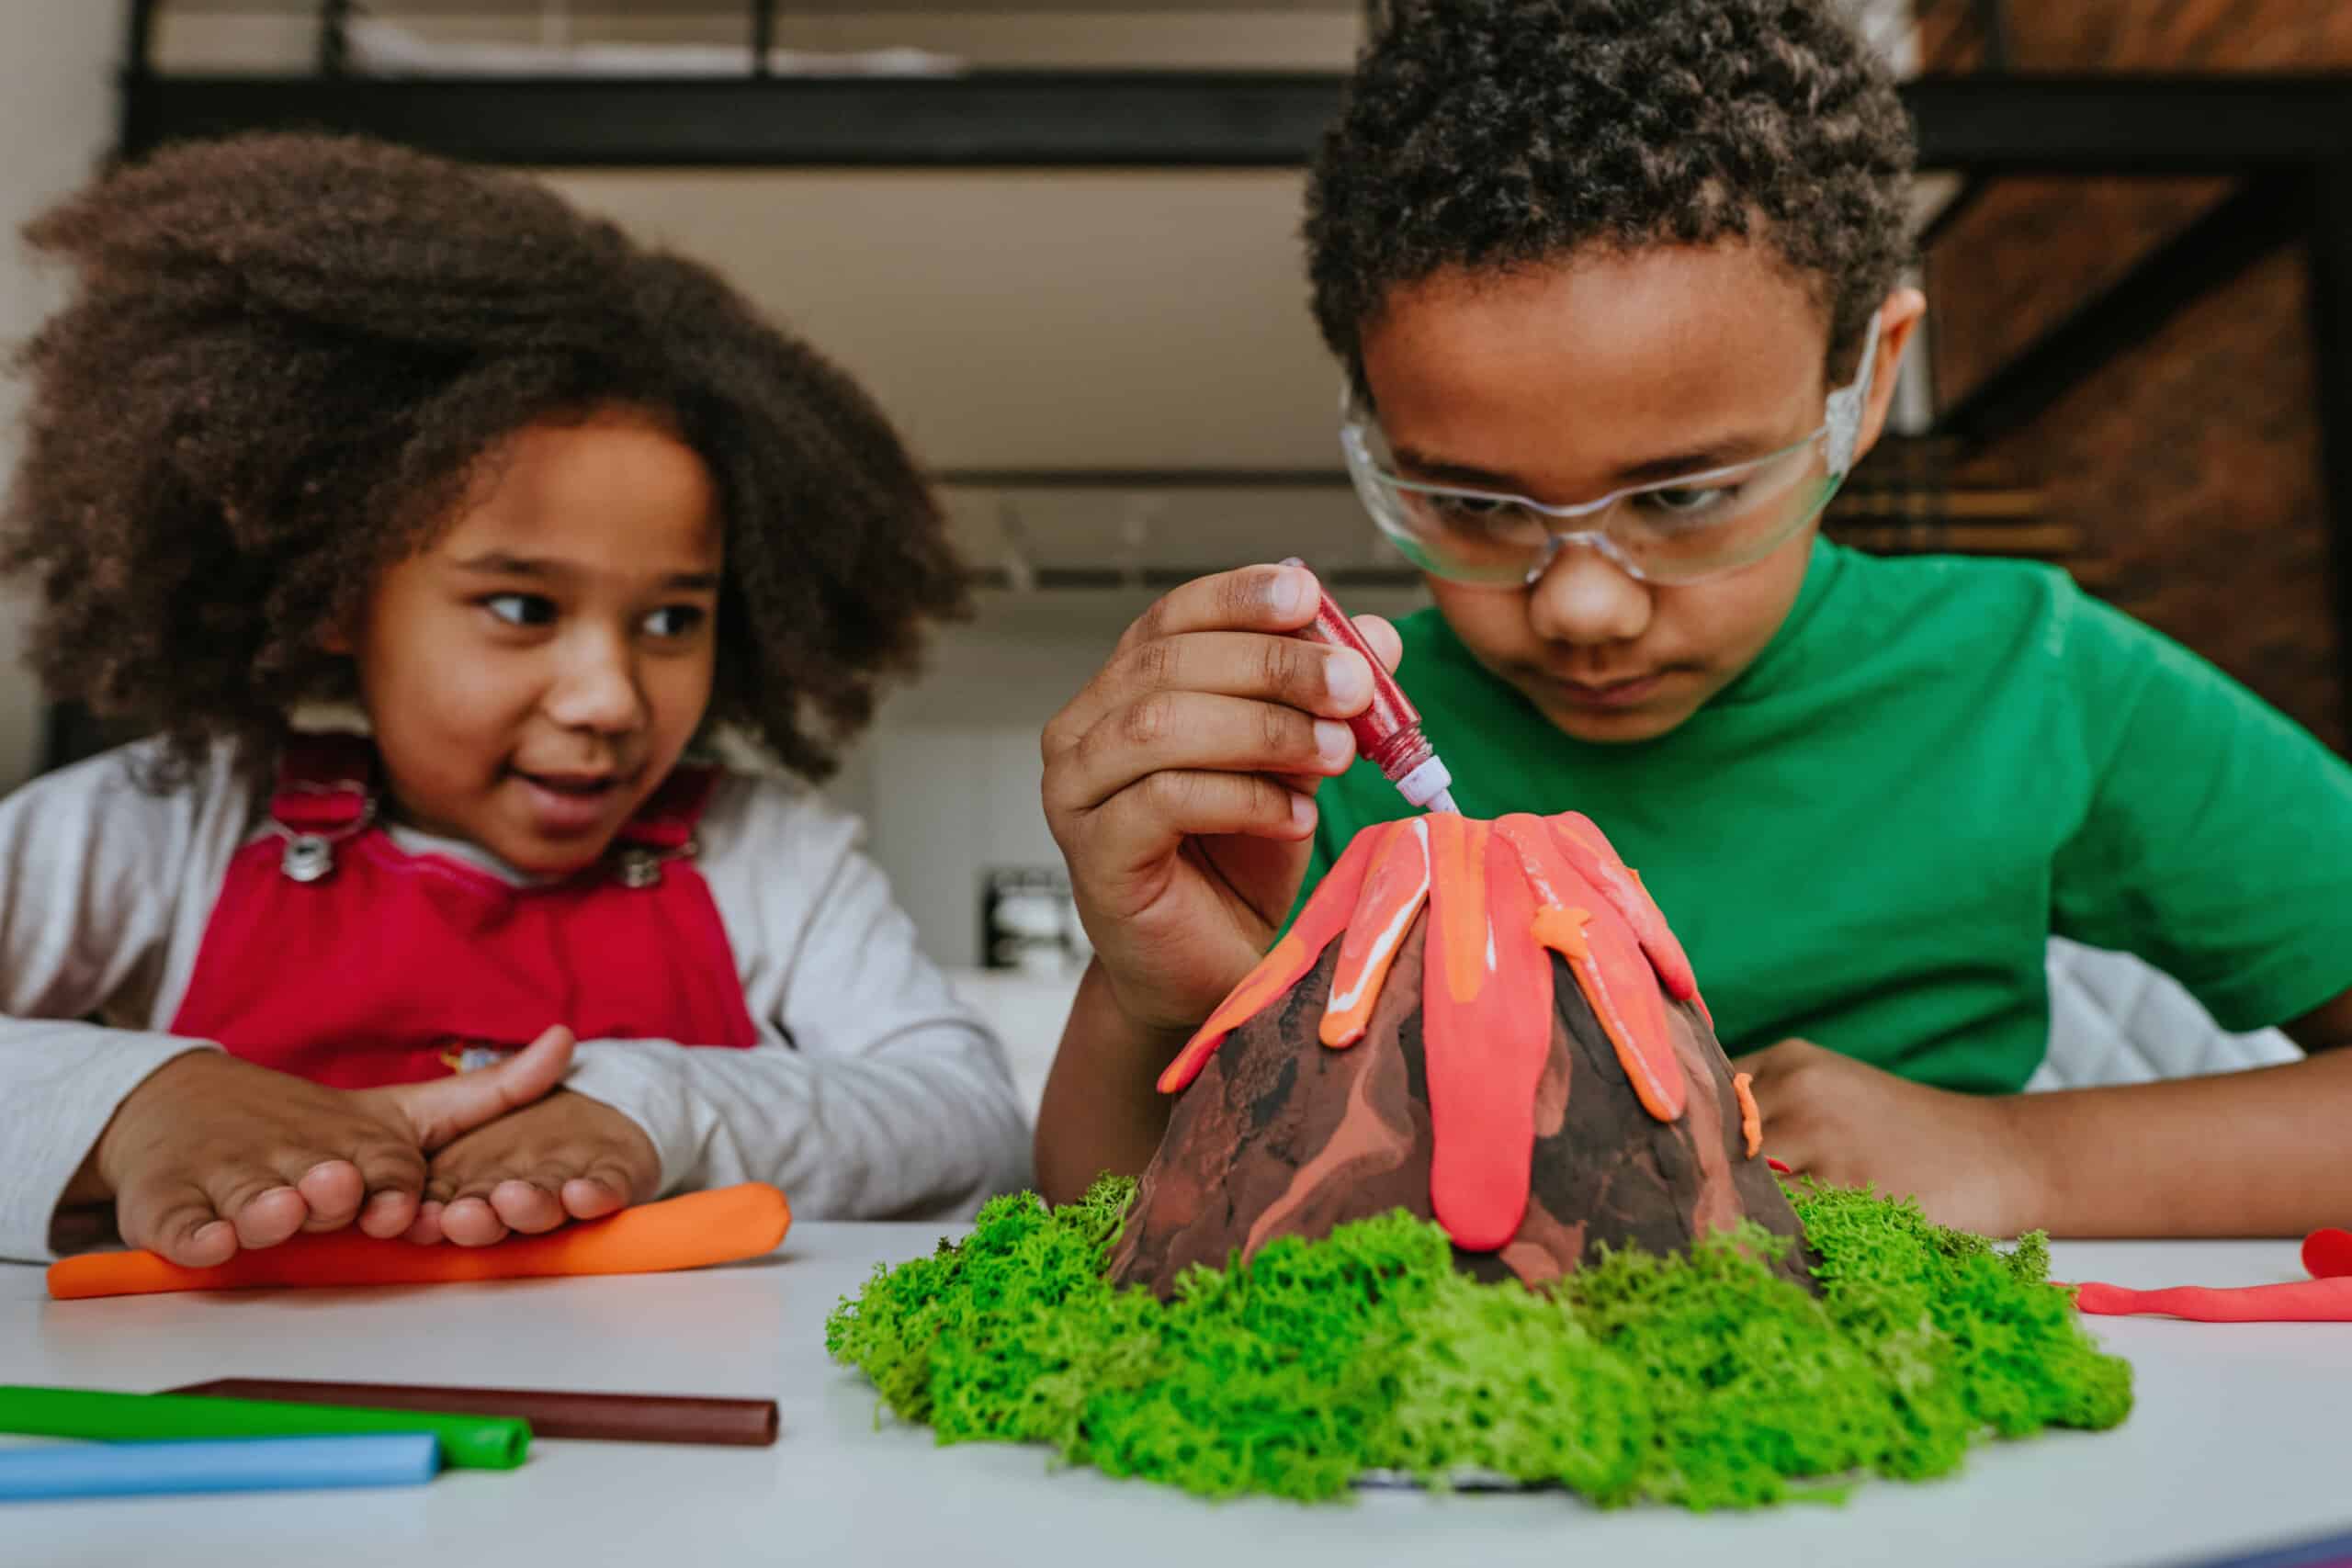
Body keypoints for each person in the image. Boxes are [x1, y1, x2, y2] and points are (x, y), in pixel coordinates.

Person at [1035, 0, 2352, 1238]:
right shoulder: (1310, 758)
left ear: (1868, 383)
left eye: (1691, 492)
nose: (1585, 603)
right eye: (1475, 504)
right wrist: (1149, 986)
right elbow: (1098, 1214)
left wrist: (2020, 1155)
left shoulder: (2034, 676)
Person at [0, 132, 1028, 1267]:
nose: (606, 699)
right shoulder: (165, 821)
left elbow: (970, 1125)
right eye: (522, 609)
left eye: (671, 621)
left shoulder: (766, 856)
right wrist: (135, 1102)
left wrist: (648, 1108)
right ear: (343, 596)